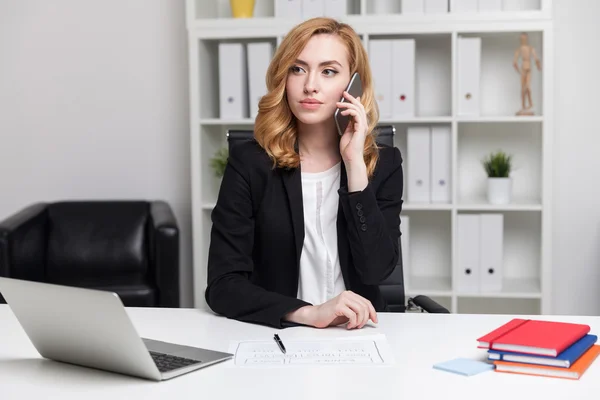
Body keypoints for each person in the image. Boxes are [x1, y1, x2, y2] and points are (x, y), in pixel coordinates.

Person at [205, 17, 404, 330]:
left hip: (356, 334)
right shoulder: (250, 163)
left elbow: (376, 271)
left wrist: (354, 167)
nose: (310, 84)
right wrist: (307, 313)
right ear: (284, 78)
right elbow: (222, 285)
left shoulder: (384, 164)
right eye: (297, 68)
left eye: (328, 71)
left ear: (353, 85)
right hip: (280, 333)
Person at [513, 32, 542, 115]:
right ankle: (523, 106)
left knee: (527, 87)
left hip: (528, 69)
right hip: (523, 69)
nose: (523, 40)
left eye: (525, 38)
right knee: (522, 89)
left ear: (527, 39)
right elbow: (514, 62)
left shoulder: (530, 48)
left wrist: (538, 65)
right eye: (522, 39)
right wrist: (518, 70)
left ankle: (530, 103)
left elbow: (536, 58)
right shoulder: (519, 49)